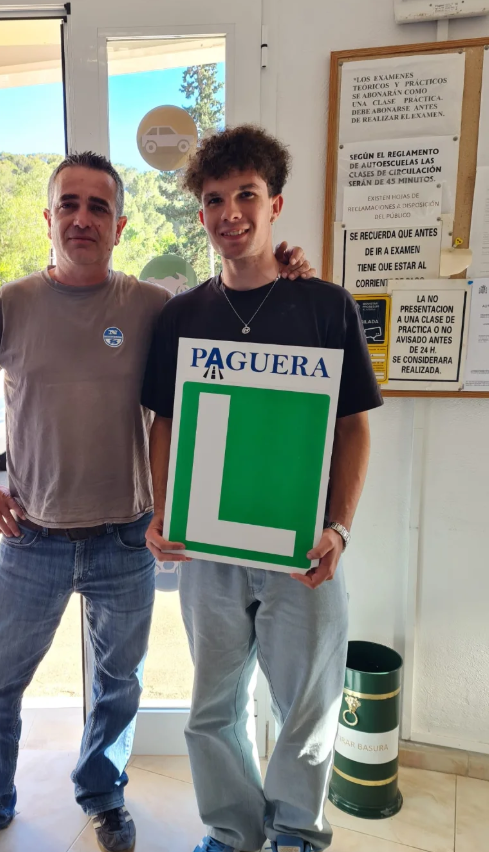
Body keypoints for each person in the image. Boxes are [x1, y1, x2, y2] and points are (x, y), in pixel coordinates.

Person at [0, 150, 315, 852]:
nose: (82, 218)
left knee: (117, 686)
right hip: (31, 539)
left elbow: (233, 317)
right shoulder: (10, 304)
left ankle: (102, 795)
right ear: (49, 217)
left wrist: (288, 277)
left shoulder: (152, 308)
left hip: (126, 541)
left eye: (98, 207)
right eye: (69, 204)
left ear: (120, 225)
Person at [142, 125, 383, 852]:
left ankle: (298, 834)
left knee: (307, 707)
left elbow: (353, 427)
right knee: (211, 707)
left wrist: (338, 526)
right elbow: (163, 422)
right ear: (202, 214)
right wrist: (162, 512)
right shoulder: (181, 316)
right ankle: (232, 831)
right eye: (215, 199)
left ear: (275, 203)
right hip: (207, 549)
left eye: (246, 195)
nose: (230, 213)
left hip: (298, 547)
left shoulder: (324, 305)